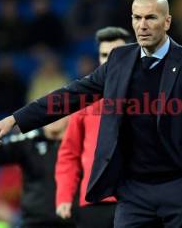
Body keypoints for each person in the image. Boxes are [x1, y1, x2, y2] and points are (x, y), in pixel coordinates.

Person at [0, 0, 182, 228]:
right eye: (137, 18)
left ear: (167, 21)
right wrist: (15, 120)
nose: (143, 25)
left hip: (179, 187)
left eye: (151, 17)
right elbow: (71, 96)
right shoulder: (119, 60)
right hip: (133, 192)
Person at [55, 27, 131, 228]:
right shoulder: (84, 102)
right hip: (93, 205)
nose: (109, 61)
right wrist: (64, 196)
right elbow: (69, 154)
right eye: (104, 55)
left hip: (136, 201)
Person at [0, 119, 76, 228]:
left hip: (74, 221)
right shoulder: (29, 140)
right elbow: (0, 151)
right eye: (48, 110)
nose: (53, 117)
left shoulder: (84, 143)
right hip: (35, 222)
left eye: (58, 111)